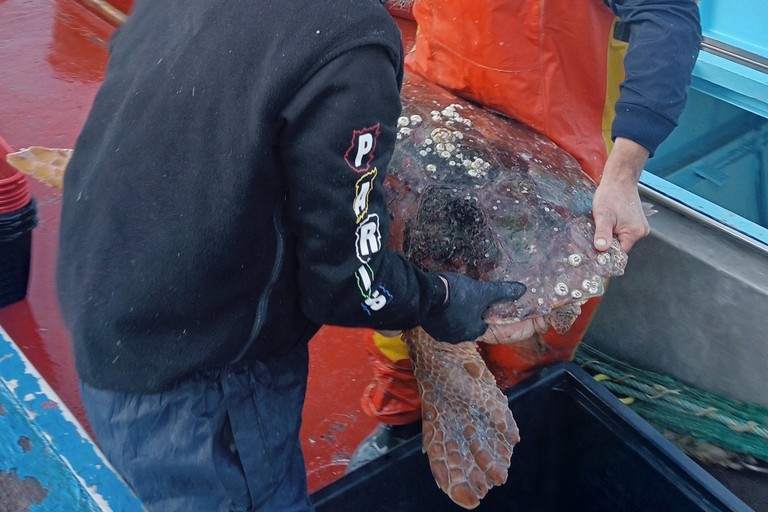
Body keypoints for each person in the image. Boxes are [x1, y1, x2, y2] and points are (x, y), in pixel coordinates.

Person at [55, 0, 528, 510]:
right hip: (205, 376)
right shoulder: (350, 41)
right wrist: (440, 299)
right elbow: (349, 283)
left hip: (113, 322)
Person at [348, 0, 702, 469]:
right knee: (397, 291)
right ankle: (400, 422)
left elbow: (668, 14)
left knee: (524, 341)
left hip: (547, 164)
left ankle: (513, 443)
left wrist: (624, 174)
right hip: (433, 121)